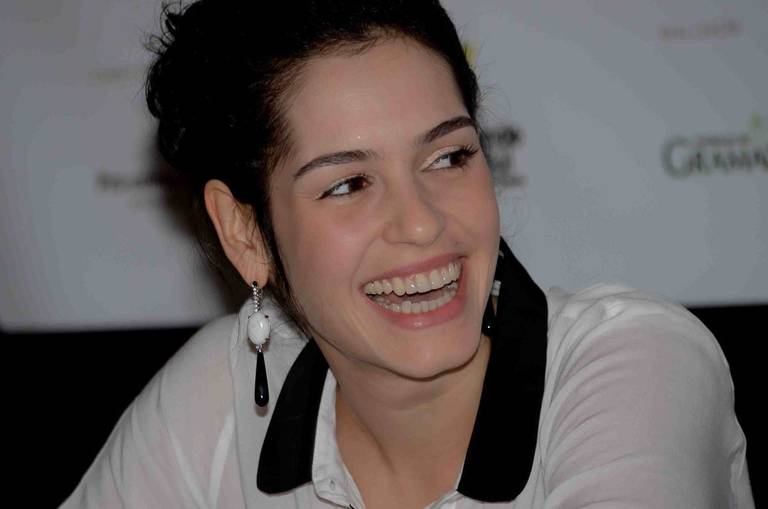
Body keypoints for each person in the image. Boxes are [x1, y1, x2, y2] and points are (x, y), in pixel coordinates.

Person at [61, 1, 754, 507]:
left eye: (448, 156)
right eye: (348, 184)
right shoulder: (217, 396)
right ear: (246, 233)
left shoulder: (635, 362)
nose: (421, 223)